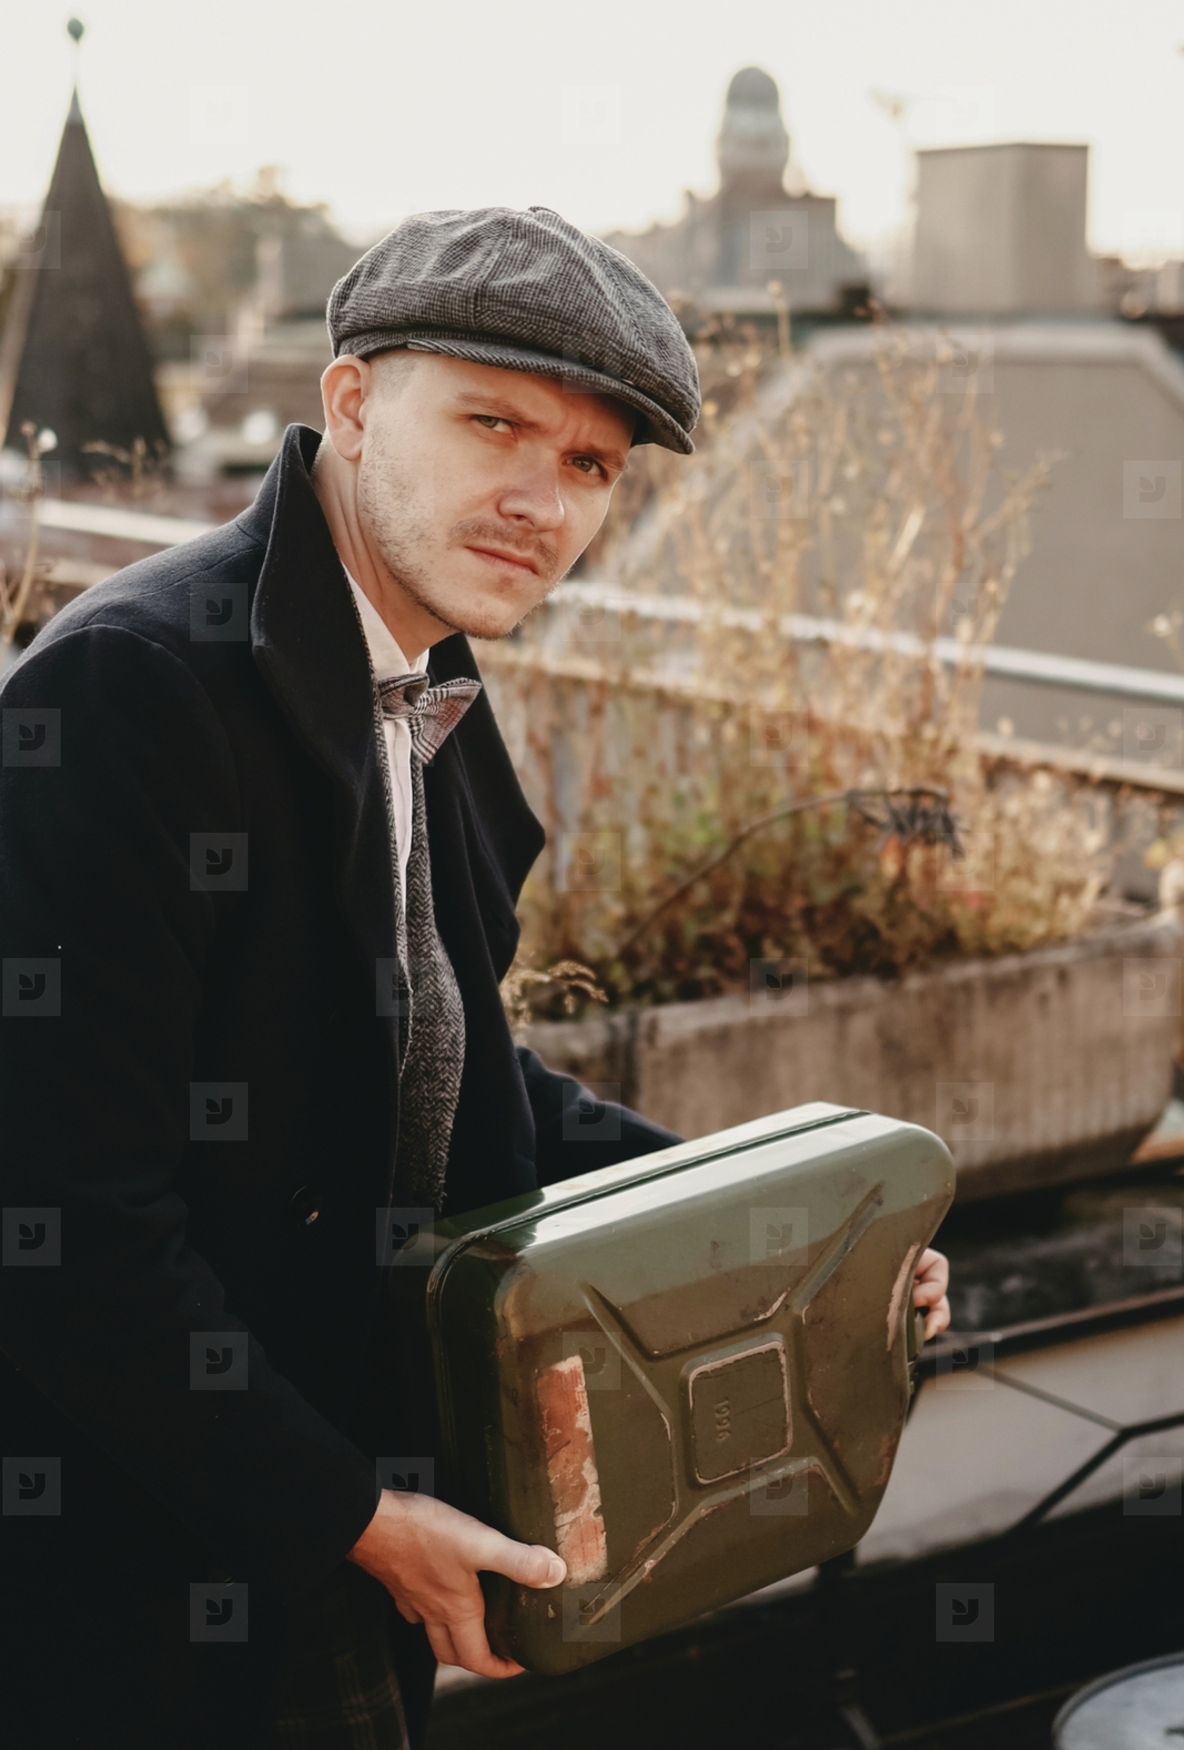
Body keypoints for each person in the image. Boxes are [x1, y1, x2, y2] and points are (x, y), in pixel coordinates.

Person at [0, 205, 950, 1749]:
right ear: (354, 404)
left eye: (590, 465)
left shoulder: (425, 678)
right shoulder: (134, 692)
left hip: (334, 1534)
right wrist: (349, 1518)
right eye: (495, 423)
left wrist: (817, 1244)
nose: (543, 501)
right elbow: (54, 1226)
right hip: (141, 1578)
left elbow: (461, 1086)